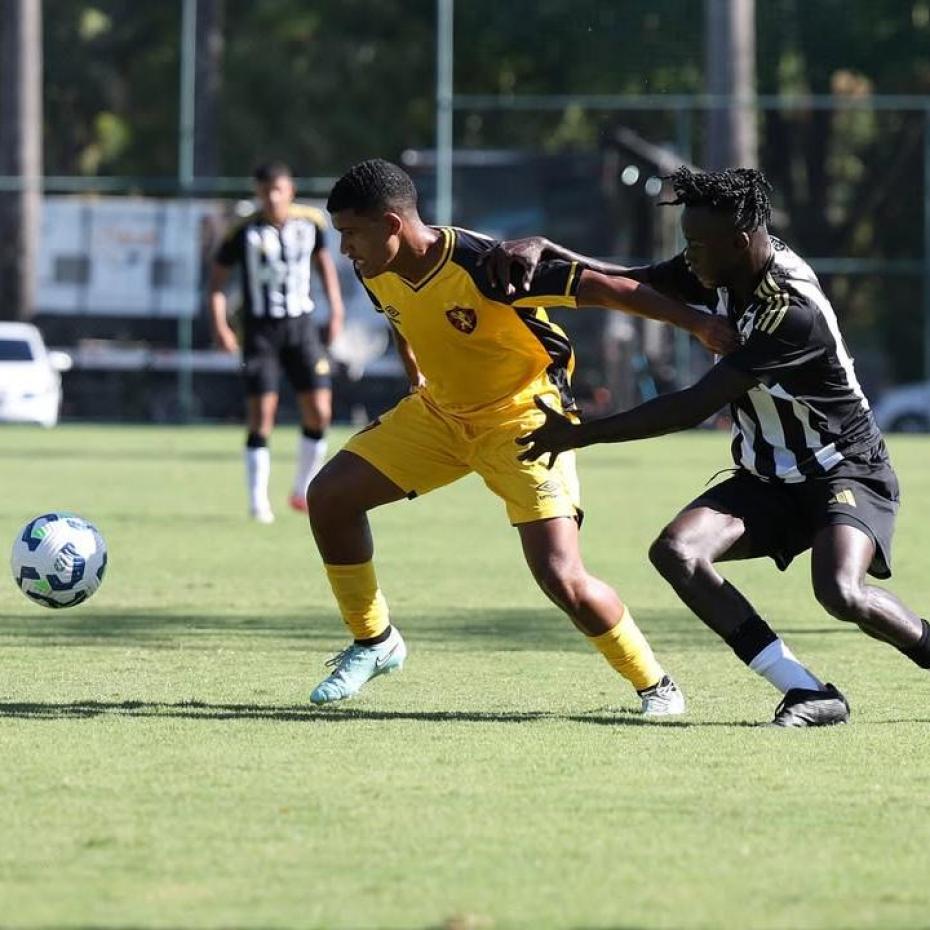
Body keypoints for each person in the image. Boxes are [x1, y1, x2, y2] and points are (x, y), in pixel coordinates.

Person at [487, 165, 930, 727]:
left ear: (740, 242)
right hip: (768, 478)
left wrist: (580, 432)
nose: (688, 255)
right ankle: (805, 690)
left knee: (841, 592)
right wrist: (550, 249)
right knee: (677, 552)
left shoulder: (789, 312)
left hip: (843, 468)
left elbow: (694, 405)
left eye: (696, 244)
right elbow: (638, 279)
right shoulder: (723, 266)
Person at [303, 158, 739, 711]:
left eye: (351, 234)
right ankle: (375, 641)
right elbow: (401, 317)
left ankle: (656, 684)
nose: (345, 248)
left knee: (561, 576)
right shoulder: (376, 266)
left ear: (392, 225)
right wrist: (415, 374)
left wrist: (698, 324)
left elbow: (607, 289)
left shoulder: (488, 265)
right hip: (439, 414)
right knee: (330, 497)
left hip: (526, 420)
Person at [209, 160, 346, 523]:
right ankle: (258, 503)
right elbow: (217, 283)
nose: (272, 198)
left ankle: (302, 489)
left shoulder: (311, 223)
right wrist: (221, 325)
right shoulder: (243, 231)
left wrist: (336, 311)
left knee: (320, 411)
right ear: (257, 193)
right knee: (262, 416)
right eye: (265, 191)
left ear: (290, 191)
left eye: (278, 190)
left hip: (301, 327)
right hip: (260, 331)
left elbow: (325, 267)